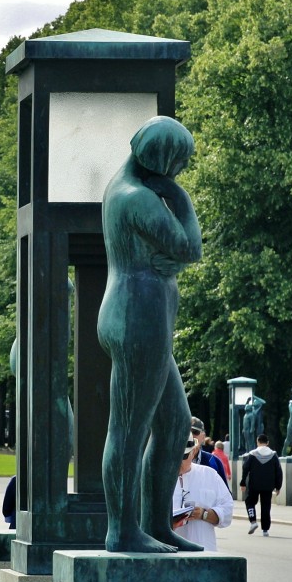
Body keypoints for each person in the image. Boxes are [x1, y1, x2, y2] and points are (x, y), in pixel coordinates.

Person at [98, 117, 202, 553]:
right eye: (176, 164)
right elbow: (189, 248)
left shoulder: (131, 192)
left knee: (175, 422)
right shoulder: (137, 197)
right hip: (136, 316)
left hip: (144, 313)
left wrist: (166, 266)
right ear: (158, 158)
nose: (177, 174)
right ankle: (122, 532)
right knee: (129, 428)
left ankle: (154, 525)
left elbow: (170, 259)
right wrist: (181, 200)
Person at [172, 432, 233, 552]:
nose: (179, 461)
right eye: (174, 456)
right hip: (169, 557)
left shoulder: (209, 475)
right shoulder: (156, 477)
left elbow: (227, 511)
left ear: (194, 452)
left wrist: (204, 514)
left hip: (204, 552)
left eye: (184, 456)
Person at [240, 434, 283, 537]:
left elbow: (245, 468)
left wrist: (242, 482)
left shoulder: (252, 454)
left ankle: (253, 521)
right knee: (266, 506)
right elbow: (278, 472)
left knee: (250, 502)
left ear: (257, 442)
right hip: (268, 485)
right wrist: (278, 486)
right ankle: (265, 529)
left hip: (254, 484)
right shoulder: (273, 455)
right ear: (267, 443)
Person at [191, 417, 227, 484]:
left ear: (203, 437)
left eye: (195, 432)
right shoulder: (172, 462)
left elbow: (225, 492)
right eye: (186, 432)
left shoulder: (213, 461)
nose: (191, 436)